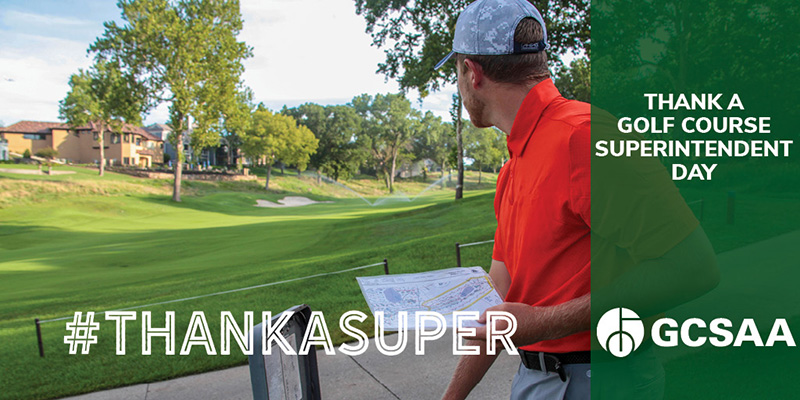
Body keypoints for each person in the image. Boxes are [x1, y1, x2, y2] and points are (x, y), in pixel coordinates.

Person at [435, 1, 719, 399]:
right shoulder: (513, 168)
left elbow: (694, 268)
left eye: (457, 71)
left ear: (472, 73)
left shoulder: (585, 137)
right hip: (536, 380)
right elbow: (498, 303)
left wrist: (543, 322)